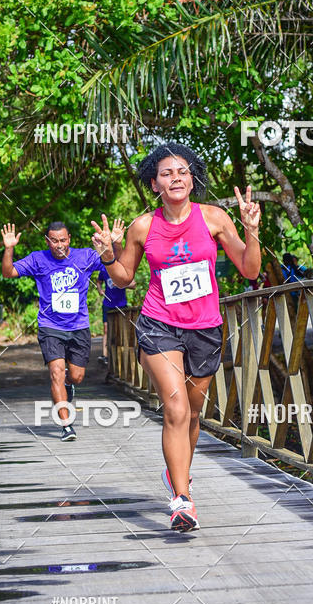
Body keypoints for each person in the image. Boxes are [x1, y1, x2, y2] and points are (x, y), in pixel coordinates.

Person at [90, 142, 261, 532]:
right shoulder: (143, 226)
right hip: (158, 324)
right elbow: (124, 278)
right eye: (167, 174)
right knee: (176, 410)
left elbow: (251, 271)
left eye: (182, 171)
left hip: (205, 327)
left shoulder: (215, 218)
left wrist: (251, 232)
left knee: (194, 414)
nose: (176, 178)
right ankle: (182, 500)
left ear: (192, 177)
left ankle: (177, 474)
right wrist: (107, 256)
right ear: (155, 185)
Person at [1, 220, 125, 441]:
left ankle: (69, 385)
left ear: (70, 240)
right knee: (56, 372)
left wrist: (114, 244)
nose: (59, 245)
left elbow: (119, 266)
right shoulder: (38, 259)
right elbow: (9, 272)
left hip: (79, 327)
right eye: (54, 241)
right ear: (47, 241)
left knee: (76, 377)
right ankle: (66, 425)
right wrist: (9, 248)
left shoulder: (86, 257)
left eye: (63, 240)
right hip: (50, 326)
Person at [95, 265, 136, 364]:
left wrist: (121, 284)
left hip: (121, 304)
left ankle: (123, 355)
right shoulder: (103, 269)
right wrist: (100, 290)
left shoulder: (121, 268)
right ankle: (105, 355)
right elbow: (98, 281)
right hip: (108, 303)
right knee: (106, 329)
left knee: (122, 329)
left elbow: (133, 285)